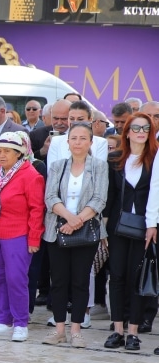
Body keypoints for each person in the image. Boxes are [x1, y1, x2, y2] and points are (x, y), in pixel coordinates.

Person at [41, 122, 108, 348]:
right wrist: (69, 218)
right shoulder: (58, 166)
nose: (78, 142)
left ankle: (76, 329)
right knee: (58, 281)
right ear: (67, 142)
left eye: (82, 138)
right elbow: (50, 197)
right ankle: (59, 329)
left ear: (90, 142)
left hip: (85, 230)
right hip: (57, 229)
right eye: (73, 138)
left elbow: (99, 199)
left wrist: (77, 220)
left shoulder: (99, 166)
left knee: (80, 282)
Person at [0, 132, 45, 342]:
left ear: (19, 154)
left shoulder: (31, 175)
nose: (1, 154)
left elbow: (37, 210)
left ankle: (20, 323)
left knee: (16, 279)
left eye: (7, 151)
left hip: (18, 235)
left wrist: (34, 239)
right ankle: (3, 320)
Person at [113, 115, 159, 351]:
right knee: (117, 277)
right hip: (118, 228)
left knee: (137, 279)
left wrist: (153, 224)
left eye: (146, 128)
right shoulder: (116, 160)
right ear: (127, 132)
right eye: (136, 127)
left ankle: (133, 331)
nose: (141, 131)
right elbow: (110, 196)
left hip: (144, 227)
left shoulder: (154, 159)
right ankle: (118, 329)